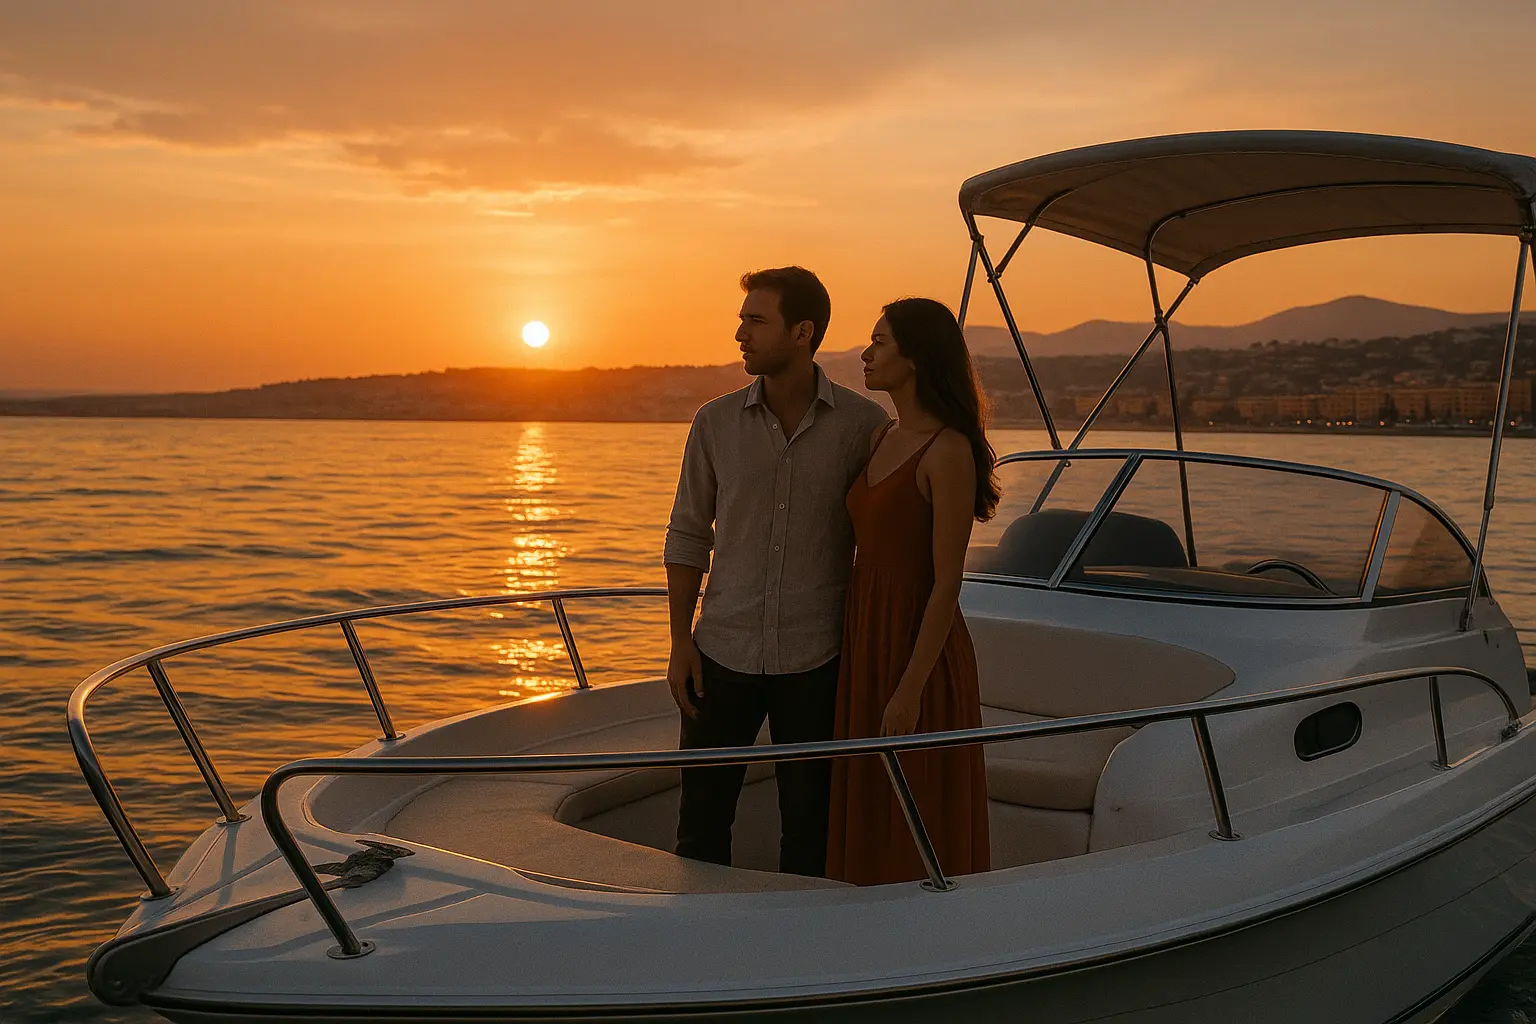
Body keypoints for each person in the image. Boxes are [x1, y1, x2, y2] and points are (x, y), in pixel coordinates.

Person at [664, 266, 889, 876]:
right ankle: (704, 956)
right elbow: (688, 533)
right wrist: (680, 642)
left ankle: (805, 958)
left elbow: (885, 539)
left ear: (803, 332)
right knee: (701, 830)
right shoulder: (714, 423)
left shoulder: (864, 427)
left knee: (812, 832)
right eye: (742, 320)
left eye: (755, 321)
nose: (740, 333)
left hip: (818, 660)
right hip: (721, 655)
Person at [826, 297, 998, 886]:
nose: (865, 354)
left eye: (879, 342)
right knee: (870, 789)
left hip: (917, 650)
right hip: (866, 634)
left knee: (917, 794)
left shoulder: (947, 452)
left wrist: (910, 688)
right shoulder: (879, 438)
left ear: (917, 356)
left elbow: (947, 581)